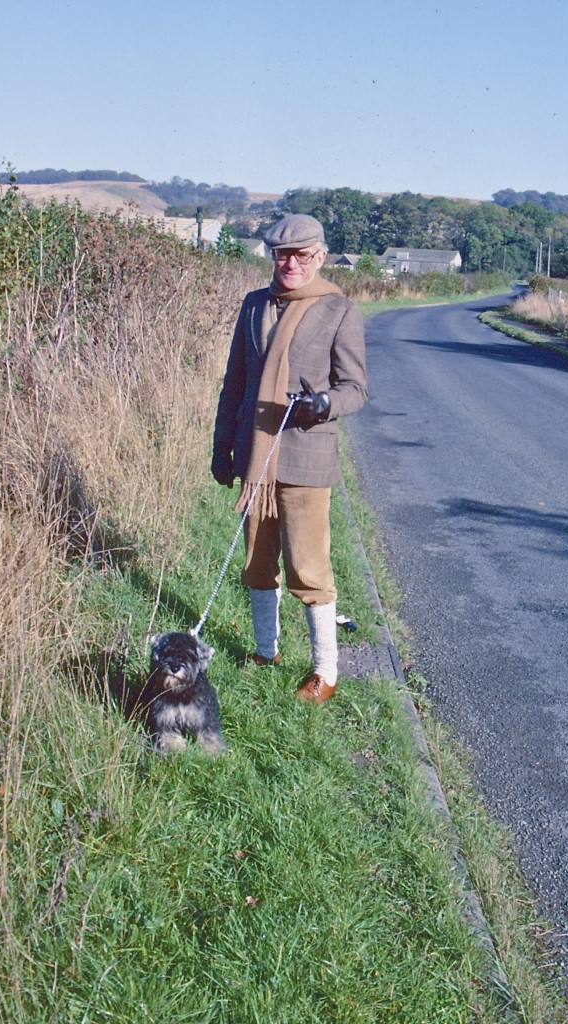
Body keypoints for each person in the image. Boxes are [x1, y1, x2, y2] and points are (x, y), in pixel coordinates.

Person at [211, 214, 367, 703]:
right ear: (272, 257)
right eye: (282, 255)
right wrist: (221, 446)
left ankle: (326, 672)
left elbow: (356, 389)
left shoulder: (339, 310)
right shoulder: (253, 305)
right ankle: (264, 651)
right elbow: (234, 382)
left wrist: (324, 404)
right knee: (258, 561)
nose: (291, 263)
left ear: (319, 257)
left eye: (302, 255)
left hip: (305, 459)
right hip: (256, 457)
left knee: (309, 568)